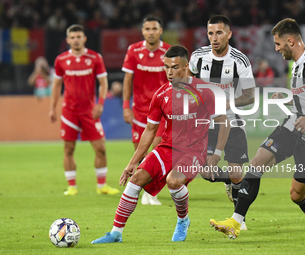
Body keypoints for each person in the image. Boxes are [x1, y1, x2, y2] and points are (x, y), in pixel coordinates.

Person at [91, 45, 230, 244]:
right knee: (136, 178)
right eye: (166, 67)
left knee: (173, 181)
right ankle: (115, 233)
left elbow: (224, 122)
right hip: (167, 147)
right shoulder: (160, 95)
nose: (169, 72)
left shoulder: (204, 91)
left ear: (186, 66)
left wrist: (216, 153)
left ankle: (183, 220)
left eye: (174, 67)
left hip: (194, 151)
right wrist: (132, 162)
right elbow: (149, 131)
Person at [210, 18, 305, 241]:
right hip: (293, 126)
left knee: (297, 194)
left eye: (279, 44)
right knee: (256, 164)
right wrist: (291, 100)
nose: (276, 48)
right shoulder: (296, 65)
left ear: (291, 41)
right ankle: (236, 222)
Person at [189, 15, 255, 230]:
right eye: (210, 33)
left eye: (219, 33)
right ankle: (227, 181)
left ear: (229, 34)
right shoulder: (198, 57)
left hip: (232, 122)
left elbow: (250, 96)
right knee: (206, 172)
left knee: (237, 172)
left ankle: (239, 218)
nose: (214, 38)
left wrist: (227, 103)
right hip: (206, 125)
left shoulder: (239, 60)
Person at [49, 24, 119, 196]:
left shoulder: (95, 58)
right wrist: (52, 108)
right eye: (72, 37)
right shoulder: (61, 60)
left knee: (100, 148)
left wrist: (100, 103)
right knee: (69, 149)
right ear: (68, 40)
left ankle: (102, 186)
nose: (76, 40)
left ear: (84, 38)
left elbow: (103, 83)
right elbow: (57, 85)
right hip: (69, 112)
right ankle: (72, 186)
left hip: (90, 111)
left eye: (79, 37)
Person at [122, 15, 171, 205]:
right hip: (140, 109)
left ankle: (152, 193)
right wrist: (126, 106)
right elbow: (127, 80)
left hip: (162, 109)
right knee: (140, 152)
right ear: (143, 31)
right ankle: (139, 189)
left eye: (154, 29)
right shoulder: (133, 50)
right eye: (147, 29)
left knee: (157, 149)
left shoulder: (167, 51)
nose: (151, 32)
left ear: (160, 31)